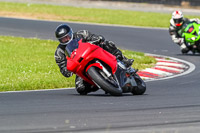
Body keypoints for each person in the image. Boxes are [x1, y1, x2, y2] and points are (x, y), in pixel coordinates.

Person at [54, 24, 134, 95]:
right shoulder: (59, 52)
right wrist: (68, 70)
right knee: (81, 88)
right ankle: (103, 84)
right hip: (80, 66)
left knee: (107, 44)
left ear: (71, 33)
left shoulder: (81, 34)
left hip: (93, 53)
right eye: (63, 39)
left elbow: (94, 37)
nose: (66, 39)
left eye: (67, 36)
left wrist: (97, 39)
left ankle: (123, 59)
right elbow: (63, 68)